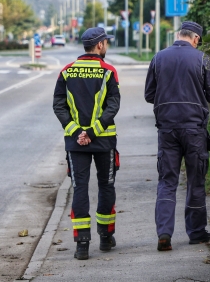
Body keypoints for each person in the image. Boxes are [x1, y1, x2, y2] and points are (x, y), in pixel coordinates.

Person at [144, 21, 210, 251]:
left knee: (167, 182)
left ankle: (164, 233)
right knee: (196, 181)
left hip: (166, 129)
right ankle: (196, 233)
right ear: (196, 38)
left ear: (178, 35)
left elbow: (149, 95)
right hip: (194, 129)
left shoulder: (158, 58)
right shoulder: (203, 59)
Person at [52, 27, 121, 260]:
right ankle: (105, 237)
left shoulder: (67, 71)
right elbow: (113, 106)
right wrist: (93, 132)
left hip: (76, 143)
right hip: (104, 141)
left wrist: (76, 132)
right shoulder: (108, 71)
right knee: (106, 185)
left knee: (80, 187)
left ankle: (82, 244)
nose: (107, 46)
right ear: (100, 45)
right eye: (106, 43)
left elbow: (58, 106)